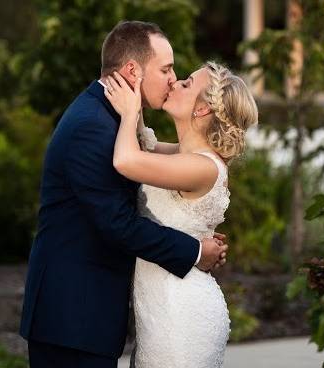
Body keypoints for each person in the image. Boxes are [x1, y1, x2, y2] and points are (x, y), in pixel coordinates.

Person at [19, 21, 228, 368]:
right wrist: (194, 250)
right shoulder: (93, 126)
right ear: (133, 70)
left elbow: (187, 162)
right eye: (165, 69)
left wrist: (198, 232)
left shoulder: (110, 118)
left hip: (89, 316)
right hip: (72, 317)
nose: (173, 78)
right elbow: (118, 223)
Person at [103, 56, 258, 367]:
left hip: (180, 317)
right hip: (163, 309)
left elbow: (126, 161)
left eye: (187, 83)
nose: (175, 82)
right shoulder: (186, 155)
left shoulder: (200, 166)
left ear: (203, 110)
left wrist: (131, 111)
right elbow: (144, 147)